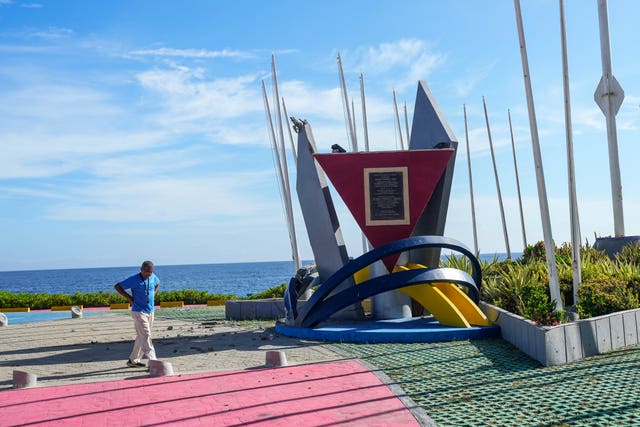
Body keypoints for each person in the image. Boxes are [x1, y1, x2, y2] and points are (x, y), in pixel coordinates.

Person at [114, 260, 160, 368]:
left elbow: (158, 283)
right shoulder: (134, 279)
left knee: (141, 336)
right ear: (141, 269)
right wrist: (130, 298)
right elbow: (117, 286)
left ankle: (133, 360)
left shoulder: (153, 277)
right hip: (138, 311)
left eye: (150, 272)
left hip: (150, 311)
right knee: (146, 334)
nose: (148, 274)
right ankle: (153, 361)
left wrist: (154, 292)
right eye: (146, 272)